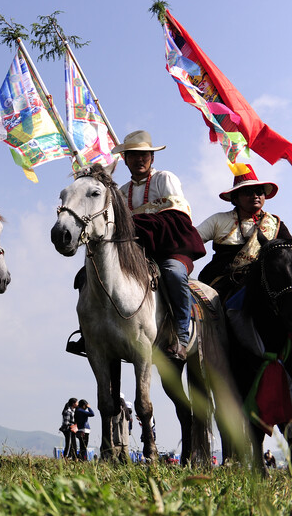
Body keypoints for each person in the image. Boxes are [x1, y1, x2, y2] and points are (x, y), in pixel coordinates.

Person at [112, 130, 206, 361]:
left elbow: (177, 219)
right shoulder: (121, 192)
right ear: (125, 159)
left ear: (152, 158)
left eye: (144, 155)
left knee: (172, 273)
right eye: (133, 155)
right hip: (136, 253)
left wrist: (135, 224)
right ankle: (98, 334)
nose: (139, 159)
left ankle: (182, 336)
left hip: (170, 248)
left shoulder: (165, 178)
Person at [196, 166, 289, 297]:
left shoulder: (275, 224)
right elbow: (192, 239)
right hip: (224, 284)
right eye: (248, 192)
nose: (255, 196)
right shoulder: (219, 219)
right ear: (235, 199)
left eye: (259, 192)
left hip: (265, 284)